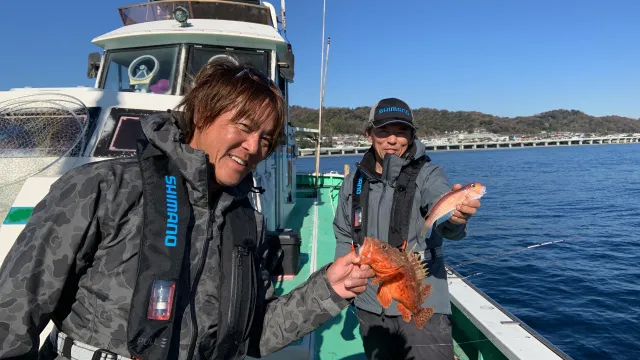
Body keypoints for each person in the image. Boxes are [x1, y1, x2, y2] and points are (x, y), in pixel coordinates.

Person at [0, 60, 375, 360]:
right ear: (201, 116)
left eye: (265, 139)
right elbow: (13, 312)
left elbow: (254, 333)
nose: (253, 147)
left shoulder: (246, 220)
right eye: (243, 127)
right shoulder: (103, 187)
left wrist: (330, 288)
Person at [333, 97, 481, 359]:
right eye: (384, 131)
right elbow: (344, 234)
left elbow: (441, 206)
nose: (393, 140)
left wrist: (456, 219)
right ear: (369, 135)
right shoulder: (351, 183)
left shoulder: (429, 174)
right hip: (370, 302)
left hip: (423, 300)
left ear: (412, 137)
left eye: (401, 132)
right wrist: (344, 283)